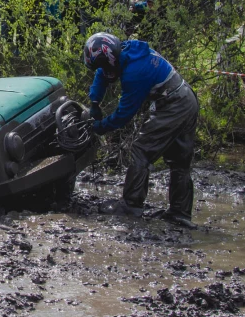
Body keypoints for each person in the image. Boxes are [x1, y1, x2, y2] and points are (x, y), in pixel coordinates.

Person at [84, 32, 199, 229]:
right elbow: (102, 73)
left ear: (110, 58)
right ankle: (179, 213)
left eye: (103, 64)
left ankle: (131, 205)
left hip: (174, 104)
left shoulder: (134, 73)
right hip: (185, 98)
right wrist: (95, 101)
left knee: (141, 150)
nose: (103, 70)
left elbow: (124, 114)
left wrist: (100, 127)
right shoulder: (125, 51)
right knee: (179, 160)